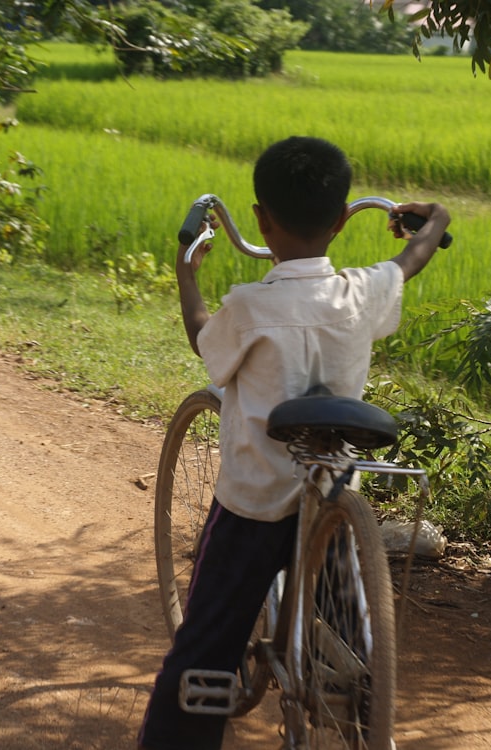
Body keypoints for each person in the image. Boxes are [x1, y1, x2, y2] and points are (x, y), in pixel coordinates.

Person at [137, 135, 451, 750]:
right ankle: (356, 724)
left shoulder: (249, 308)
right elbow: (413, 258)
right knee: (351, 640)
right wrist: (432, 220)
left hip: (255, 502)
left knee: (205, 644)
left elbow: (204, 339)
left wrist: (186, 276)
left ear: (260, 219)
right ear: (339, 220)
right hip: (333, 496)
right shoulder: (363, 292)